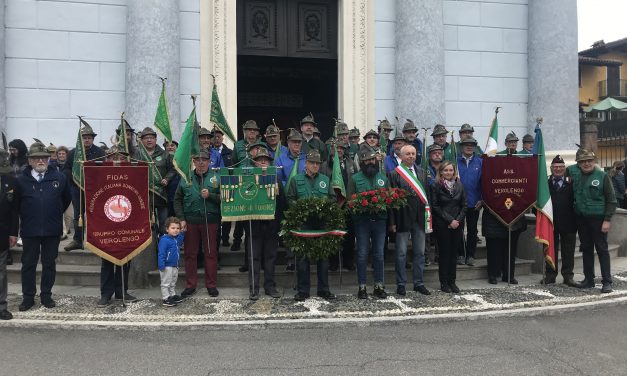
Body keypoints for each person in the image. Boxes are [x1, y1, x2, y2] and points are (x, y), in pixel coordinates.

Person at [14, 142, 71, 311]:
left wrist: (52, 213)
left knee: (49, 264)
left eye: (44, 158)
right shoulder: (21, 180)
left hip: (52, 230)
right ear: (30, 160)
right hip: (30, 230)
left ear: (48, 159)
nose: (40, 160)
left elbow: (66, 199)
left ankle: (46, 295)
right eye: (36, 158)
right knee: (28, 264)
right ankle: (28, 297)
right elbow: (16, 205)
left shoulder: (59, 178)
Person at [286, 150, 336, 301]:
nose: (315, 166)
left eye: (317, 163)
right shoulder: (296, 180)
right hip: (304, 225)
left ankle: (323, 289)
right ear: (306, 163)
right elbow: (290, 198)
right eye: (312, 163)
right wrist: (301, 209)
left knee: (324, 260)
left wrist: (323, 206)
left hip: (321, 224)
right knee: (302, 259)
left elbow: (333, 198)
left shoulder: (326, 180)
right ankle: (303, 290)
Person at [568, 149, 617, 293]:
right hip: (582, 219)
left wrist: (607, 220)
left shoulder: (602, 176)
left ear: (594, 161)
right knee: (586, 249)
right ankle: (589, 279)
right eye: (583, 161)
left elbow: (611, 200)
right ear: (579, 164)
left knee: (602, 250)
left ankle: (607, 281)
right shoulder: (576, 176)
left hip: (598, 219)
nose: (586, 164)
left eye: (589, 161)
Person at [174, 151, 221, 298]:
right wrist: (181, 218)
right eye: (197, 160)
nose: (201, 163)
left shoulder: (217, 178)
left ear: (209, 162)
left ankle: (211, 285)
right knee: (190, 255)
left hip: (210, 222)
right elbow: (177, 199)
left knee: (211, 254)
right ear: (193, 162)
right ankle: (190, 285)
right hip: (190, 222)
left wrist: (211, 196)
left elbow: (227, 198)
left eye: (204, 160)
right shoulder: (184, 178)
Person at [97, 146, 139, 307]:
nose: (117, 161)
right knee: (107, 260)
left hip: (126, 221)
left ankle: (122, 291)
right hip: (106, 222)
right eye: (112, 157)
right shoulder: (99, 175)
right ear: (107, 159)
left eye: (121, 157)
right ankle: (106, 294)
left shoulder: (132, 175)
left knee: (125, 259)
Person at [388, 144, 431, 296]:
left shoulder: (423, 173)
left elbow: (427, 197)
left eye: (413, 154)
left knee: (420, 253)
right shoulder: (394, 174)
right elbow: (391, 201)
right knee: (401, 253)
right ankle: (401, 284)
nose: (411, 156)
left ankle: (419, 283)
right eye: (408, 154)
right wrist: (392, 221)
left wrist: (428, 217)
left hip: (419, 219)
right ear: (401, 156)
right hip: (402, 219)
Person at [348, 146, 389, 299]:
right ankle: (362, 287)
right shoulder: (355, 179)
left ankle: (379, 286)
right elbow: (349, 200)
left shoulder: (383, 178)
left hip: (379, 221)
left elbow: (389, 198)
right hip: (362, 222)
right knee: (362, 254)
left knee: (379, 254)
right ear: (362, 162)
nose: (371, 162)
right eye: (367, 160)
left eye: (373, 159)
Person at [247, 148, 284, 300]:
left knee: (270, 257)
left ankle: (270, 286)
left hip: (271, 225)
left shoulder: (276, 180)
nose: (263, 162)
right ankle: (254, 289)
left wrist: (279, 223)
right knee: (253, 257)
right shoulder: (247, 180)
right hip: (254, 224)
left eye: (266, 160)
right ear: (254, 163)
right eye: (259, 159)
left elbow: (282, 203)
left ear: (270, 163)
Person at [64, 122, 106, 251]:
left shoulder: (100, 152)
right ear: (80, 139)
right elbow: (66, 169)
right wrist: (76, 179)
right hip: (76, 188)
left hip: (95, 189)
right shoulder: (72, 153)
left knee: (96, 214)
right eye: (84, 137)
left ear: (93, 139)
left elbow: (103, 170)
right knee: (78, 215)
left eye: (89, 137)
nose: (87, 140)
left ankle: (96, 241)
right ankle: (77, 240)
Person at [541, 155, 578, 287]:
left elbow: (577, 201)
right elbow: (539, 203)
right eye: (555, 167)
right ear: (551, 168)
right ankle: (550, 275)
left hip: (569, 223)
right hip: (550, 223)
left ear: (564, 168)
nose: (558, 169)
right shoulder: (545, 184)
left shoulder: (571, 182)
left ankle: (568, 276)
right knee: (550, 250)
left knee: (568, 251)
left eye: (561, 167)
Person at [430, 161, 467, 293]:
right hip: (443, 224)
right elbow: (435, 206)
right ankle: (444, 282)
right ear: (441, 172)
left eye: (451, 170)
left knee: (453, 254)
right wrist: (450, 220)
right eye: (445, 170)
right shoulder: (435, 186)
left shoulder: (460, 185)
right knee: (444, 254)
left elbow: (464, 205)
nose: (448, 173)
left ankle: (452, 281)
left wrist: (457, 220)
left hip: (457, 224)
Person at [139, 127, 176, 233]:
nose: (149, 140)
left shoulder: (165, 154)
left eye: (151, 138)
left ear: (155, 140)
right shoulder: (138, 154)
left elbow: (174, 169)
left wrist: (167, 179)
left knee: (164, 222)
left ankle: (163, 245)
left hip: (161, 194)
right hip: (143, 195)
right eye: (146, 138)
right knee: (146, 223)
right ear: (142, 141)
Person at [328, 141, 357, 272]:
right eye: (336, 148)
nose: (339, 150)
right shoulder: (325, 165)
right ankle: (333, 262)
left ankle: (348, 261)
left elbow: (356, 178)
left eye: (341, 148)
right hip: (333, 203)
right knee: (334, 234)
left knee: (349, 235)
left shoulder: (350, 163)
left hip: (349, 203)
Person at [482, 208, 526, 285]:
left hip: (514, 218)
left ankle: (508, 275)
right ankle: (493, 275)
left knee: (510, 251)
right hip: (493, 219)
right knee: (493, 250)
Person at [456, 137, 482, 266]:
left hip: (474, 202)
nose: (469, 147)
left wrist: (482, 199)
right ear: (461, 147)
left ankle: (471, 255)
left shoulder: (480, 162)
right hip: (458, 203)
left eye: (472, 144)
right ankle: (460, 254)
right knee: (459, 229)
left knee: (472, 230)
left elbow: (485, 182)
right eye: (466, 144)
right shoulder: (455, 162)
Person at [0, 148, 18, 320]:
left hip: (2, 233)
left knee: (1, 271)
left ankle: (1, 306)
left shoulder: (10, 181)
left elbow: (14, 210)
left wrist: (13, 232)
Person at [158, 217, 185, 307]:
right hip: (166, 266)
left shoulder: (176, 239)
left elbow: (180, 241)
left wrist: (182, 232)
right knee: (166, 282)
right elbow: (161, 253)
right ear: (167, 229)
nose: (175, 230)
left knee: (173, 282)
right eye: (173, 228)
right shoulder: (164, 240)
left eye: (178, 228)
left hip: (174, 265)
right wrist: (161, 265)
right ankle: (166, 298)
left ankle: (172, 295)